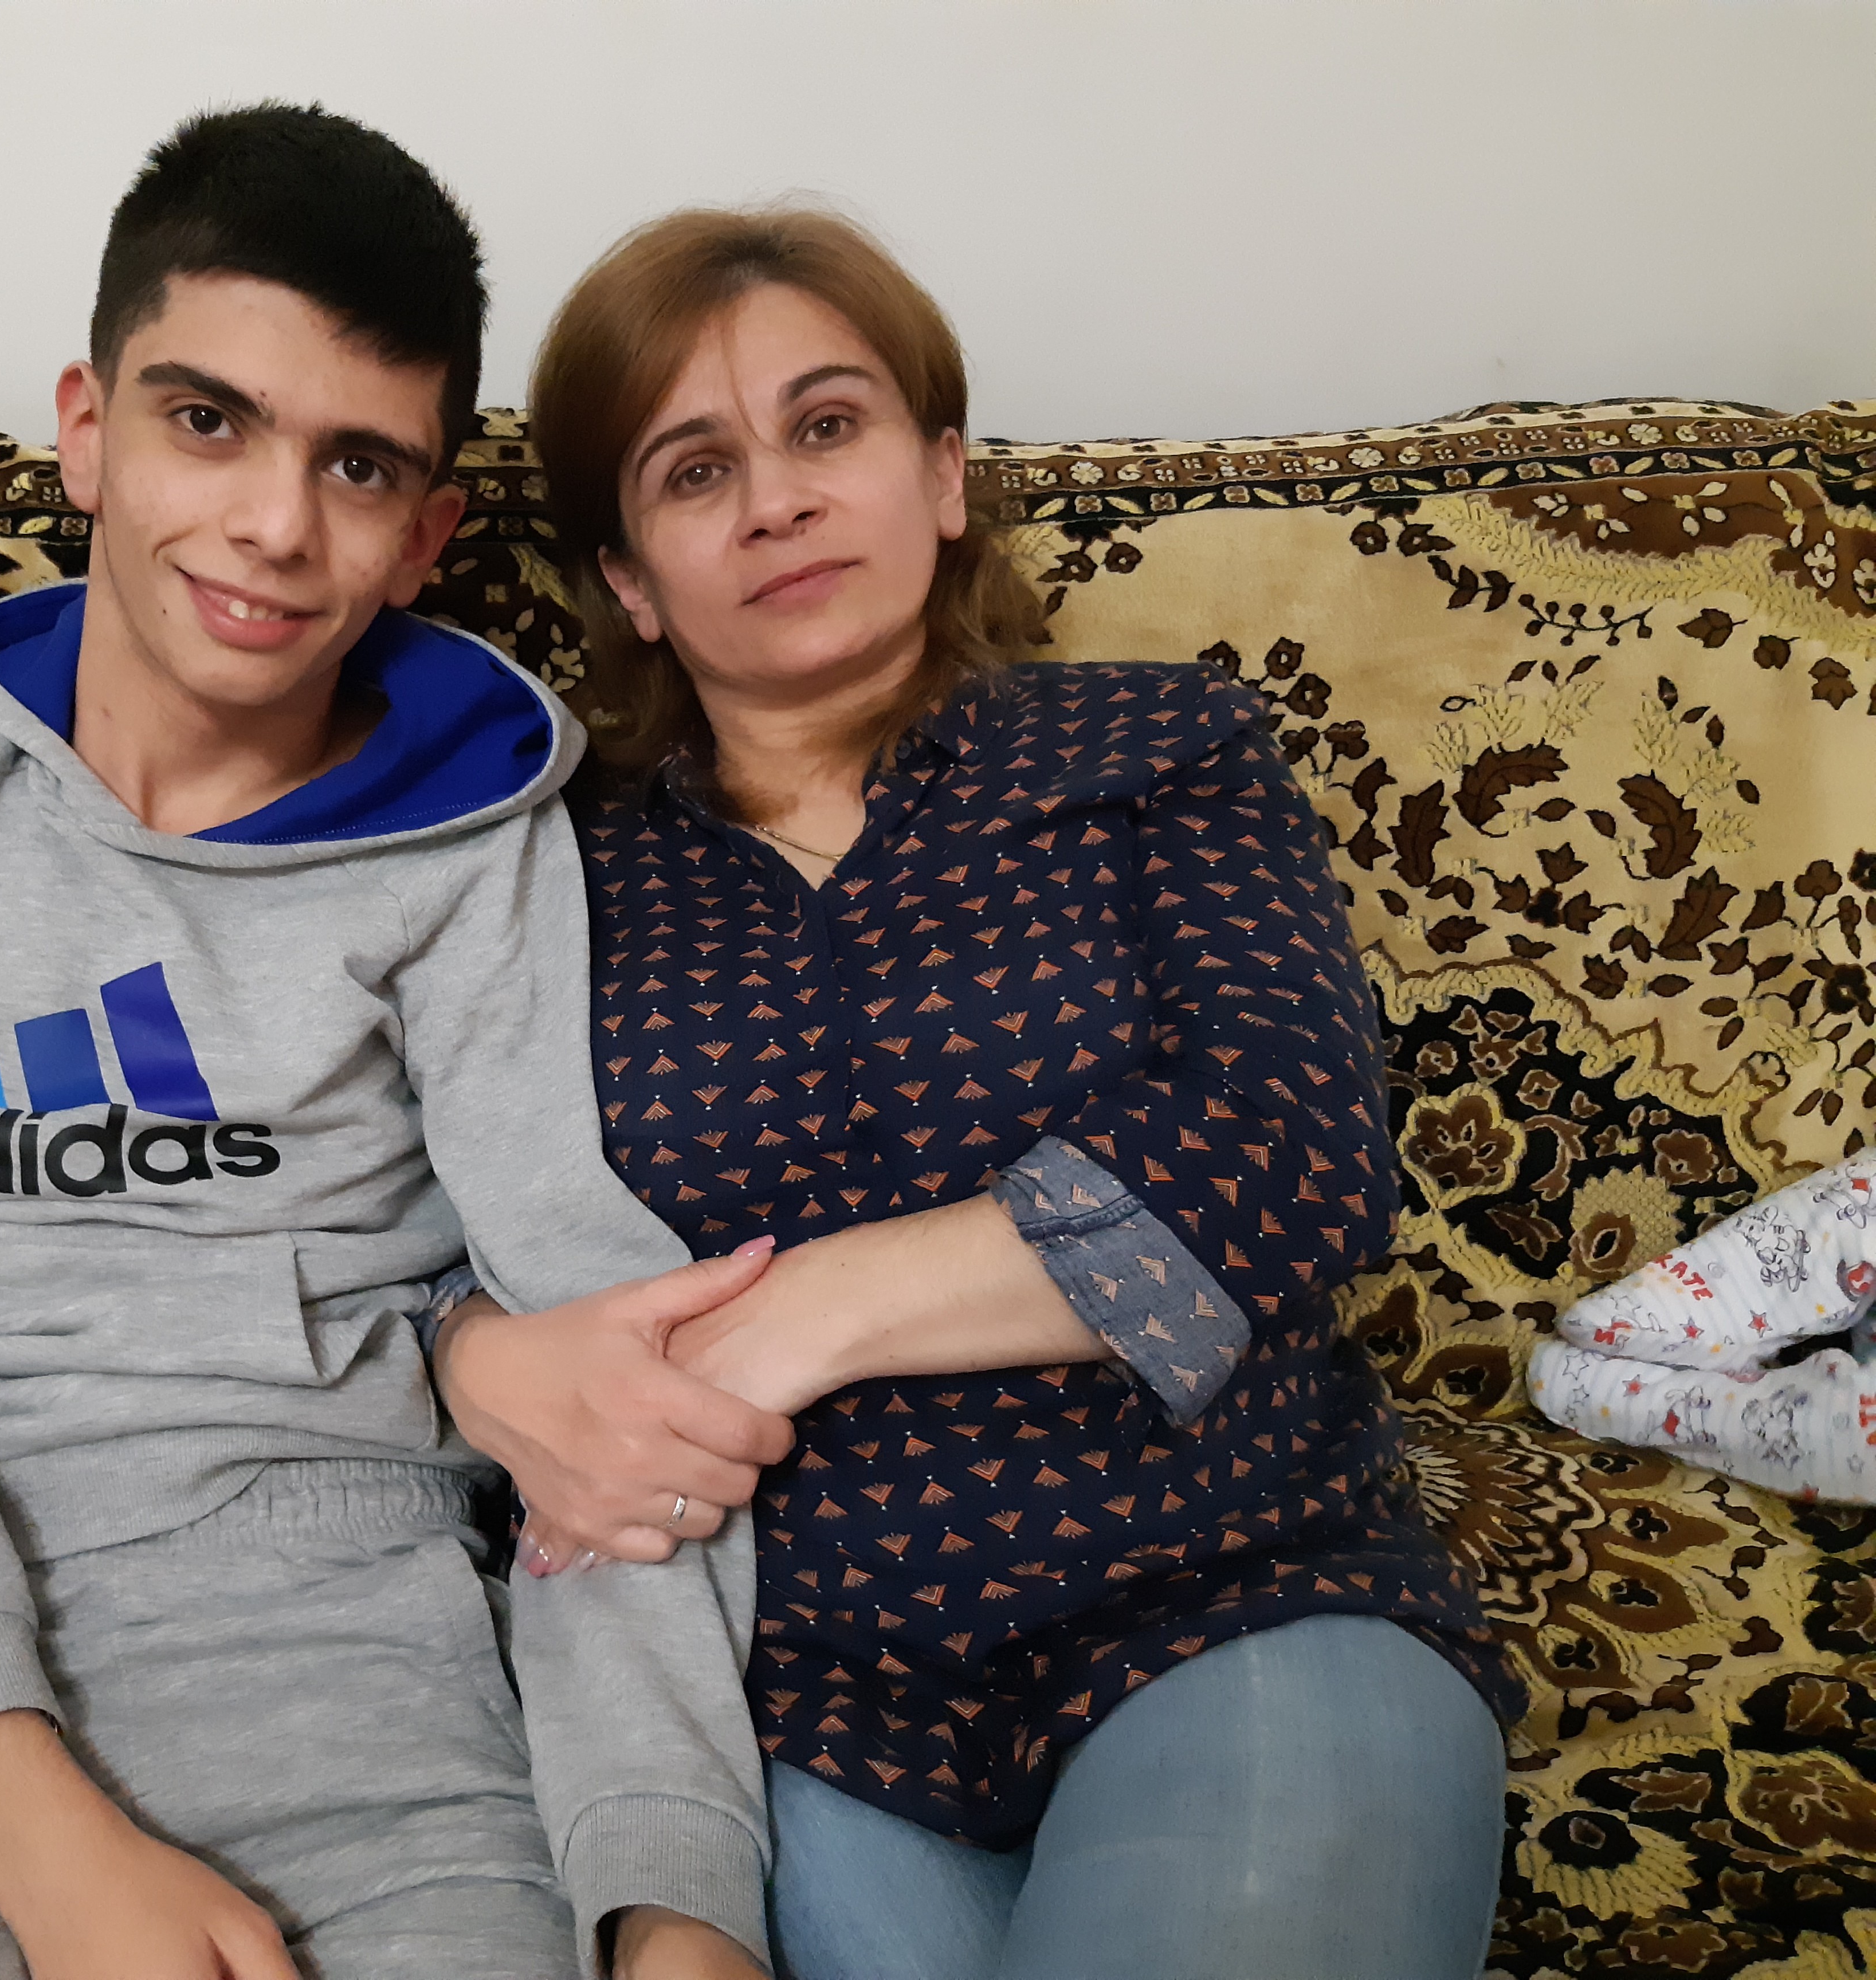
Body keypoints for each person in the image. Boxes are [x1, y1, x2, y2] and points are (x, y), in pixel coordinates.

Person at [0, 108, 794, 1980]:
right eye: (209, 420)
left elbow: (607, 1373)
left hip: (368, 1679)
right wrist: (25, 1812)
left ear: (428, 536)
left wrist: (681, 1913)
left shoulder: (479, 845)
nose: (277, 525)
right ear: (87, 428)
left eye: (357, 465)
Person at [431, 208, 1523, 1980]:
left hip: (1231, 1594)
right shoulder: (532, 876)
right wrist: (476, 1359)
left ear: (943, 476)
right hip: (784, 1709)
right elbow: (387, 1231)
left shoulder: (1154, 748)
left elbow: (1292, 1152)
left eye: (827, 426)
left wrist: (799, 1318)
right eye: (697, 470)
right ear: (629, 582)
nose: (776, 502)